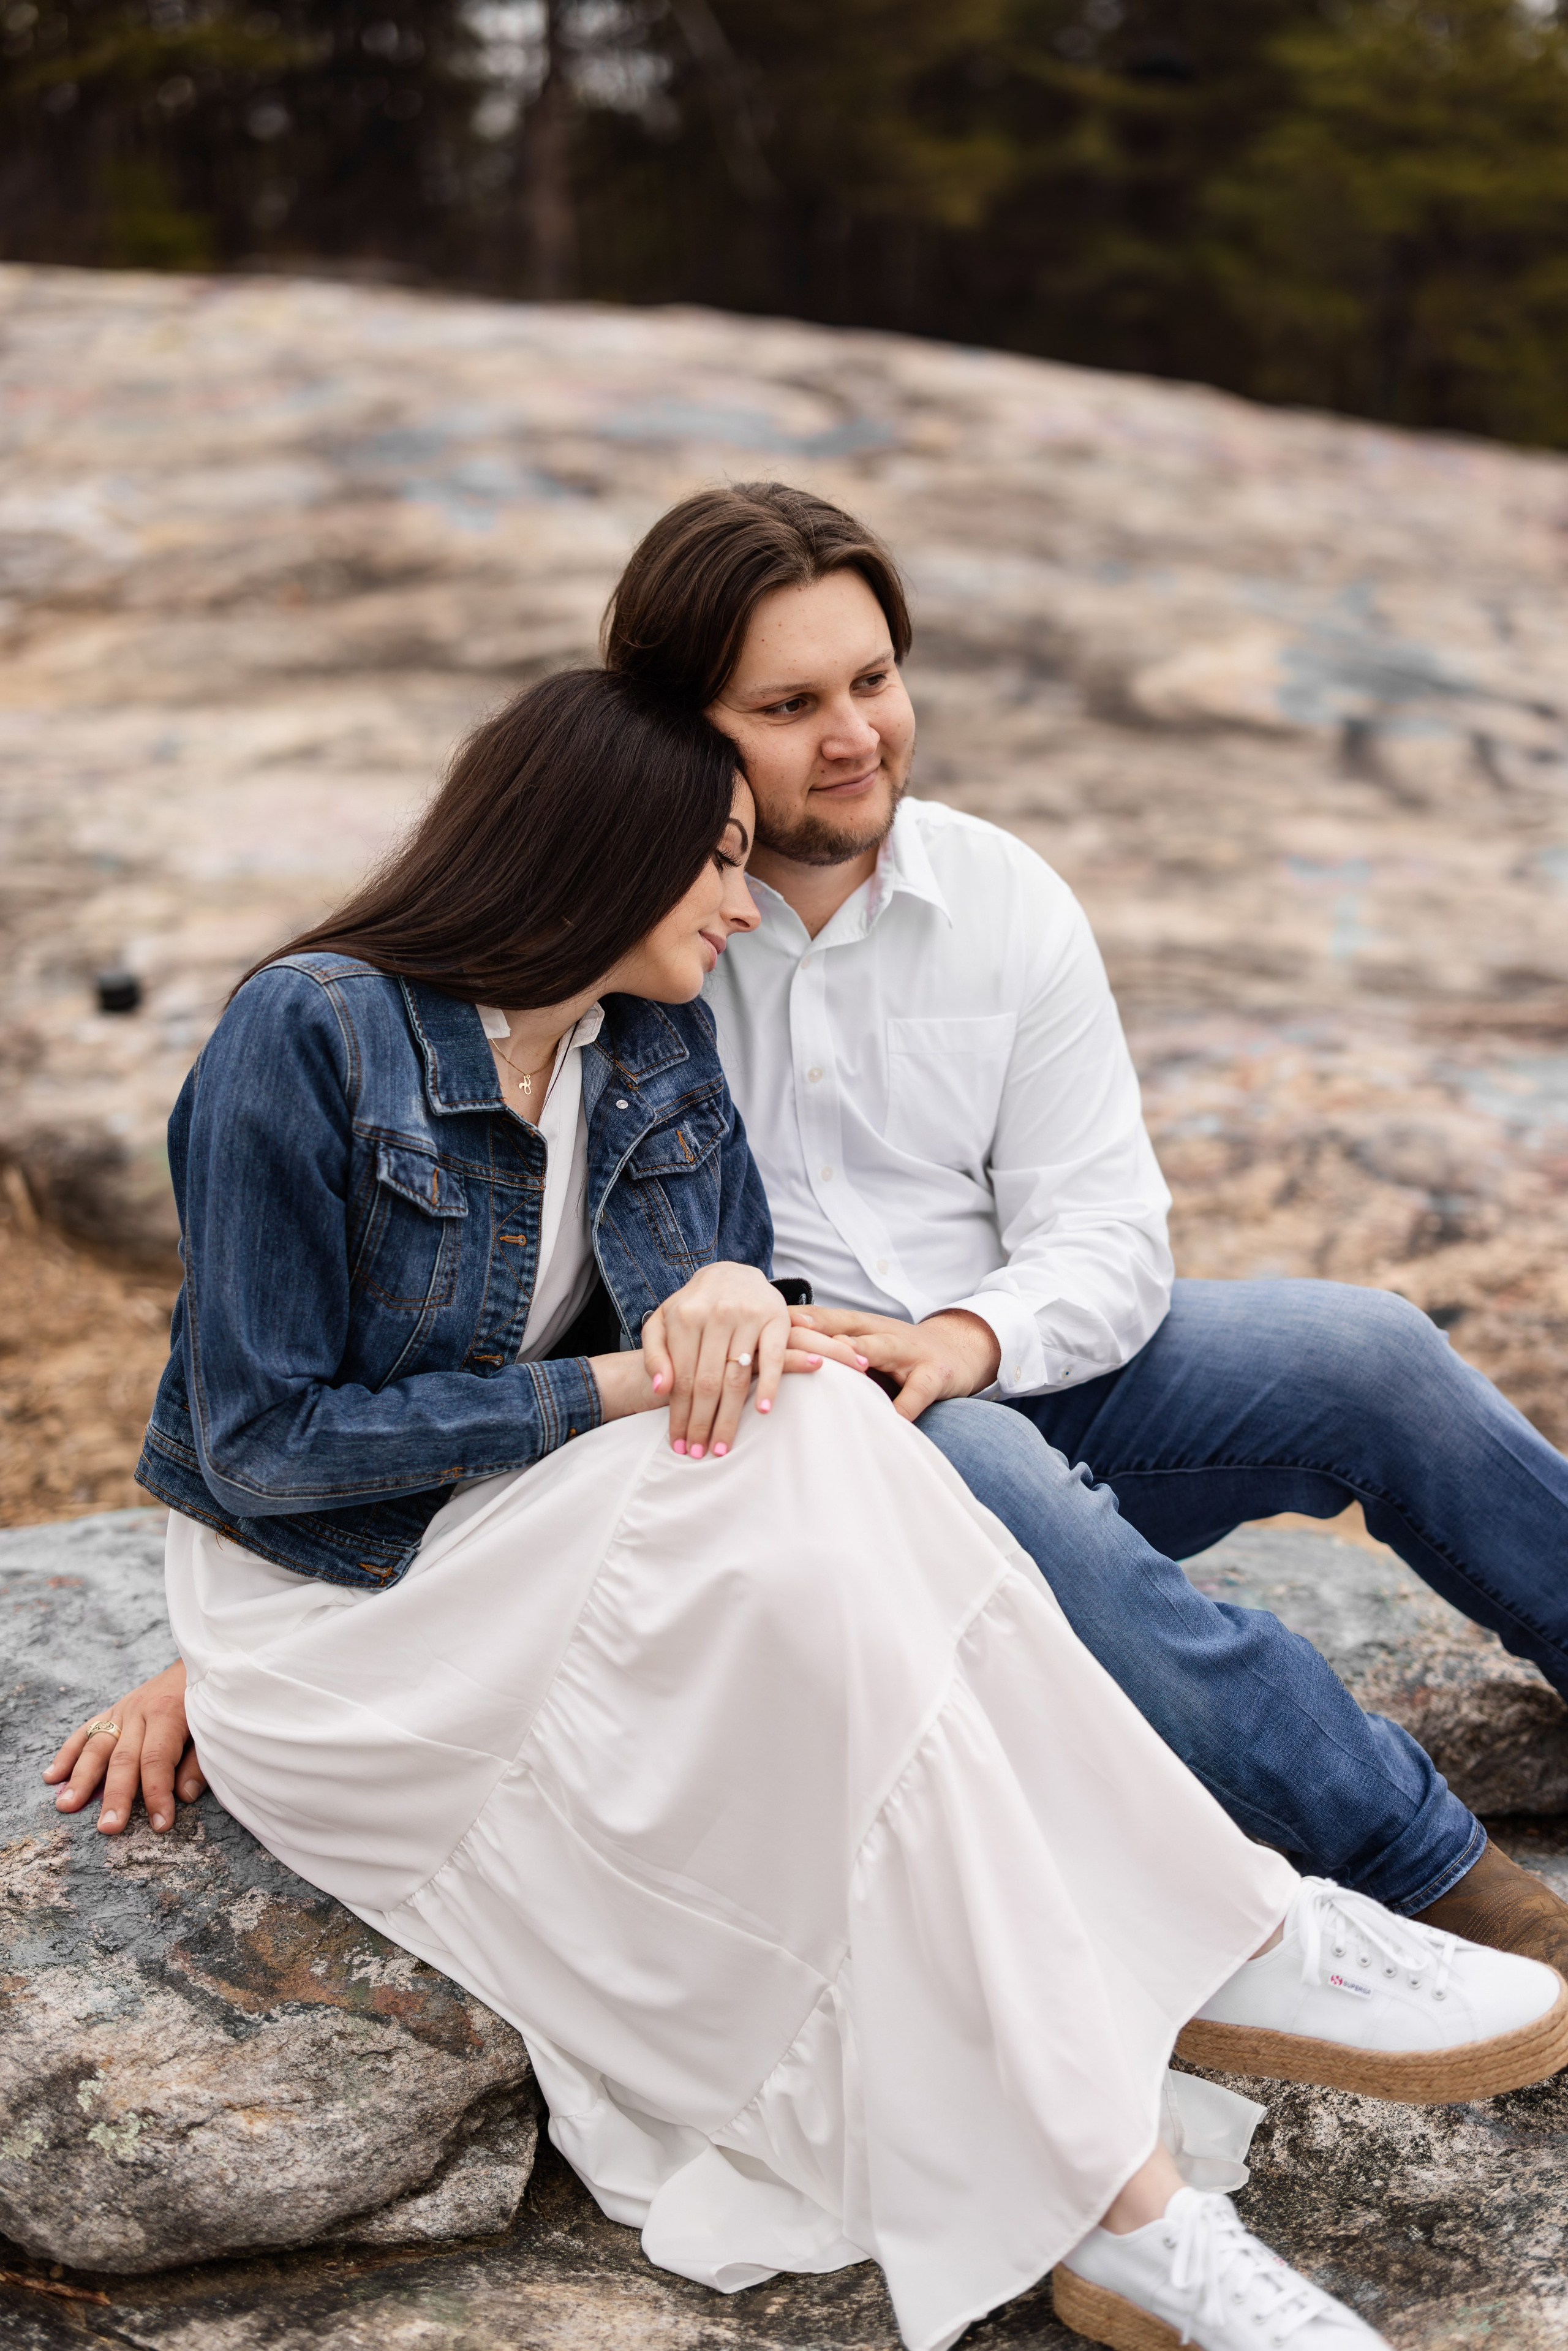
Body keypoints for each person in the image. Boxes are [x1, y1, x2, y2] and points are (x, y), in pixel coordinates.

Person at [45, 668, 1567, 2351]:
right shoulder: (313, 1029)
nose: (745, 896)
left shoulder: (652, 1044)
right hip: (333, 1620)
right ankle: (1238, 1931)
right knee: (817, 1430)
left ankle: (1140, 2192)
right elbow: (259, 1446)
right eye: (711, 859)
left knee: (820, 1424)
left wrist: (720, 1292)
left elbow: (748, 1306)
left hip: (518, 1552)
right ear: (591, 852)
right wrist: (614, 1387)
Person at [598, 480, 1568, 1976]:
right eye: (789, 703)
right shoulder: (621, 932)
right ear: (675, 726)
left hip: (1004, 1362)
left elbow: (1107, 1232)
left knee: (1363, 1348)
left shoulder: (999, 895)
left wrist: (967, 1336)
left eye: (872, 679)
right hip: (797, 1445)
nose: (855, 734)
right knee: (977, 1471)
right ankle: (1422, 1865)